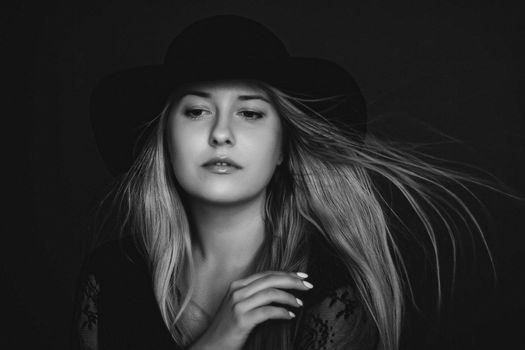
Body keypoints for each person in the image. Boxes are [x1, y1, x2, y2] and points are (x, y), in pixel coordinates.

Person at [70, 15, 493, 350]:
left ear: (283, 150)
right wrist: (216, 342)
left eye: (250, 113)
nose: (221, 133)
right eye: (196, 111)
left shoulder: (327, 288)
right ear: (164, 139)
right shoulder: (110, 276)